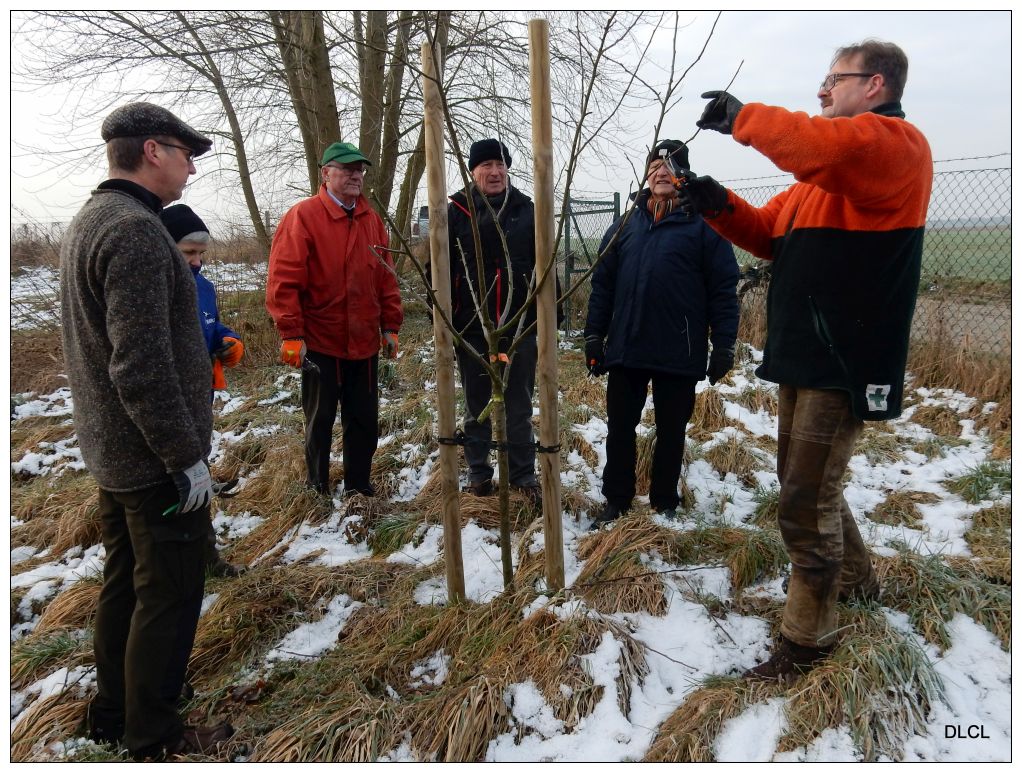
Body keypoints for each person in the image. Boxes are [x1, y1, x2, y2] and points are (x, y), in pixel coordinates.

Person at [689, 39, 933, 681]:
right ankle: (855, 581)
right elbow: (766, 233)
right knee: (807, 482)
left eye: (834, 79)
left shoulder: (894, 145)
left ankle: (808, 640)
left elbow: (821, 146)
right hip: (803, 354)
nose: (822, 90)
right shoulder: (817, 185)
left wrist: (743, 118)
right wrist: (713, 201)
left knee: (804, 498)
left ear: (875, 84)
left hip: (844, 358)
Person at [59, 102, 233, 758]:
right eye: (186, 154)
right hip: (151, 457)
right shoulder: (134, 231)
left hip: (116, 452)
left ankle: (113, 713)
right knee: (169, 593)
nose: (192, 168)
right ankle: (154, 735)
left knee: (125, 584)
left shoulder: (93, 219)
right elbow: (139, 366)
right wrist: (184, 457)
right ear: (153, 150)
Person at [584, 139, 739, 528]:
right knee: (620, 428)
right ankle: (616, 501)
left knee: (671, 431)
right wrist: (593, 336)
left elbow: (723, 289)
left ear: (684, 175)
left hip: (678, 350)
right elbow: (602, 285)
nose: (661, 173)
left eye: (670, 166)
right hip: (627, 345)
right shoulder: (625, 225)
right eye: (654, 166)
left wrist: (724, 345)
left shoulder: (705, 226)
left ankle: (664, 502)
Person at [266, 141, 402, 497]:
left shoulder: (372, 221)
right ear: (326, 173)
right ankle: (317, 488)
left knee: (363, 419)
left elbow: (386, 278)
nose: (356, 175)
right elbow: (284, 279)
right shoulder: (303, 216)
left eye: (359, 170)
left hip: (364, 343)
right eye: (347, 169)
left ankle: (359, 486)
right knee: (320, 419)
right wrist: (291, 333)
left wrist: (390, 326)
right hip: (320, 342)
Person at [445, 138, 544, 503]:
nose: (495, 172)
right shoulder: (457, 212)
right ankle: (479, 473)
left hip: (520, 326)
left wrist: (548, 317)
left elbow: (543, 264)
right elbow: (439, 268)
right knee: (477, 405)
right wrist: (445, 319)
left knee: (519, 405)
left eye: (501, 165)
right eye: (486, 165)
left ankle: (522, 474)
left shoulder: (527, 210)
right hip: (472, 326)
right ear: (473, 172)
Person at [159, 204, 246, 578]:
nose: (196, 261)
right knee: (169, 487)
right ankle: (174, 566)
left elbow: (212, 328)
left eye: (201, 253)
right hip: (166, 408)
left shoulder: (204, 288)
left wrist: (229, 341)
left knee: (199, 476)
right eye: (188, 253)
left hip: (200, 401)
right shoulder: (153, 289)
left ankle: (205, 557)